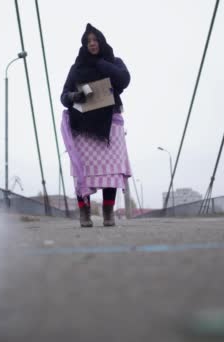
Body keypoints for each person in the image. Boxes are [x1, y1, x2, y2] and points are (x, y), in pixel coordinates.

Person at [60, 23, 131, 227]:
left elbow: (124, 80)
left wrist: (101, 63)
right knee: (83, 169)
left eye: (95, 40)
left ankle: (108, 213)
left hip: (110, 122)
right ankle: (85, 213)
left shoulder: (114, 62)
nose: (92, 43)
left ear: (101, 41)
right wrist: (74, 95)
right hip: (82, 125)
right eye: (88, 41)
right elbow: (64, 96)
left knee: (112, 170)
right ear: (84, 44)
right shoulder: (77, 68)